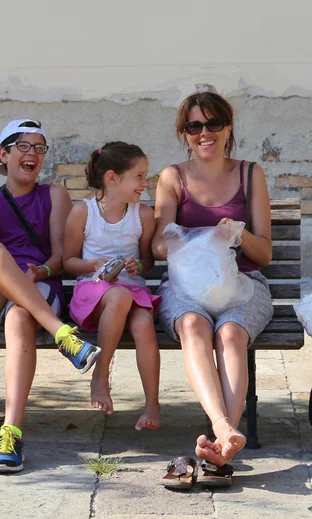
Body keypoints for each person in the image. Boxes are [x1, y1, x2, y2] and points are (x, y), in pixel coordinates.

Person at [0, 119, 101, 474]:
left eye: (39, 148)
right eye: (23, 147)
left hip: (35, 288)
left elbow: (59, 258)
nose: (32, 154)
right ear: (3, 154)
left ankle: (9, 435)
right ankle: (61, 333)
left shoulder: (54, 194)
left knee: (21, 315)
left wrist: (39, 271)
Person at [152, 92, 273, 474]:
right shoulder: (172, 177)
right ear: (184, 133)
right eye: (194, 126)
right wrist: (187, 238)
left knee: (231, 334)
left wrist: (238, 234)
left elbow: (265, 253)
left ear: (228, 127)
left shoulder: (250, 173)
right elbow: (157, 244)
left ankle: (223, 443)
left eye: (213, 124)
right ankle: (225, 431)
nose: (205, 133)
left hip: (244, 282)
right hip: (186, 286)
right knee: (193, 325)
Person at [63, 141, 161, 431]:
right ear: (112, 178)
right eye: (139, 176)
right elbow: (69, 261)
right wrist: (94, 264)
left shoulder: (142, 215)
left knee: (143, 323)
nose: (145, 183)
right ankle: (101, 375)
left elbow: (148, 261)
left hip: (132, 291)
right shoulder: (84, 213)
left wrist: (137, 266)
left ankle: (153, 404)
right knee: (117, 295)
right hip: (93, 292)